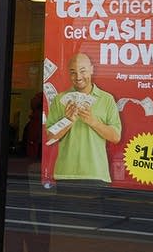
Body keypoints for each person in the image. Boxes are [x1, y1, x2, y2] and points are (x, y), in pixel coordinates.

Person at [45, 52, 121, 183]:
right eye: (73, 72)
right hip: (65, 174)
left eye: (82, 71)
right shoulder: (60, 99)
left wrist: (93, 122)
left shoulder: (107, 99)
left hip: (97, 174)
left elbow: (115, 137)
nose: (78, 77)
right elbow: (51, 137)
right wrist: (67, 121)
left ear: (92, 69)